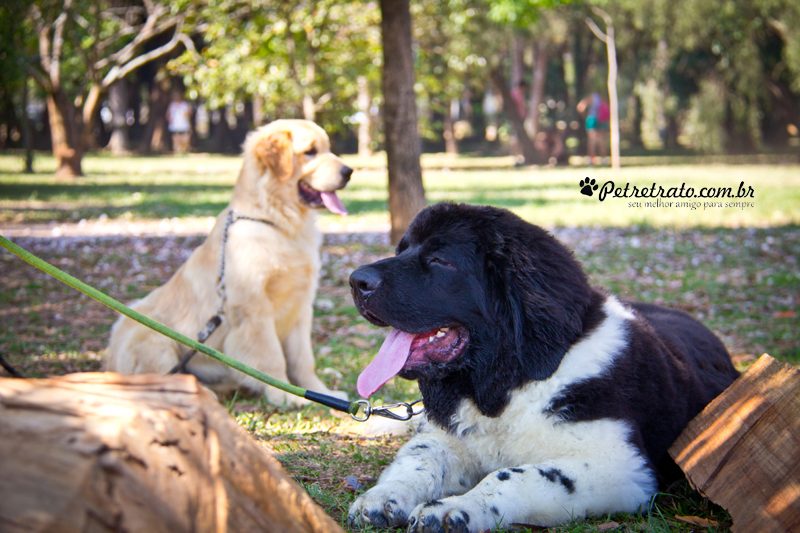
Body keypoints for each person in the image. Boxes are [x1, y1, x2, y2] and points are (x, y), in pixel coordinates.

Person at [577, 92, 609, 165]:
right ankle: (603, 160)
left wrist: (585, 116)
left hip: (592, 120)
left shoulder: (591, 97)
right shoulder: (603, 97)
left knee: (592, 141)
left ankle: (591, 160)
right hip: (602, 120)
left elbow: (580, 107)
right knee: (602, 140)